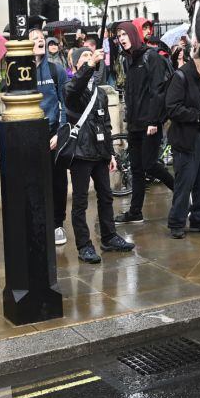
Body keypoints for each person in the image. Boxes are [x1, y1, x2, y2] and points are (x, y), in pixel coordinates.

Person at [63, 48, 135, 262]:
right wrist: (89, 65)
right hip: (81, 154)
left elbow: (106, 125)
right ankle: (84, 245)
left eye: (90, 55)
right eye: (83, 57)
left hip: (100, 153)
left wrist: (110, 154)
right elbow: (75, 87)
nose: (89, 58)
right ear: (76, 65)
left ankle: (109, 236)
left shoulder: (100, 93)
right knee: (81, 202)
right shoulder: (72, 89)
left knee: (106, 197)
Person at [114, 21, 175, 224]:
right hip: (134, 124)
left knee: (149, 164)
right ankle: (135, 211)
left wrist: (153, 120)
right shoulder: (128, 60)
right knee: (137, 168)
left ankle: (180, 190)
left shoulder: (152, 57)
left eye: (124, 34)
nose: (122, 38)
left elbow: (157, 92)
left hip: (150, 123)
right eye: (119, 35)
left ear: (134, 34)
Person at [163, 48, 200, 238]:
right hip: (185, 138)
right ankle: (176, 223)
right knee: (184, 183)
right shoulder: (181, 75)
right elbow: (172, 108)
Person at [34, 28, 69, 248]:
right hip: (30, 136)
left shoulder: (56, 71)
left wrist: (59, 134)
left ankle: (57, 224)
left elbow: (66, 105)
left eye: (41, 39)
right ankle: (38, 222)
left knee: (57, 181)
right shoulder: (18, 72)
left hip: (53, 134)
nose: (39, 41)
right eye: (34, 39)